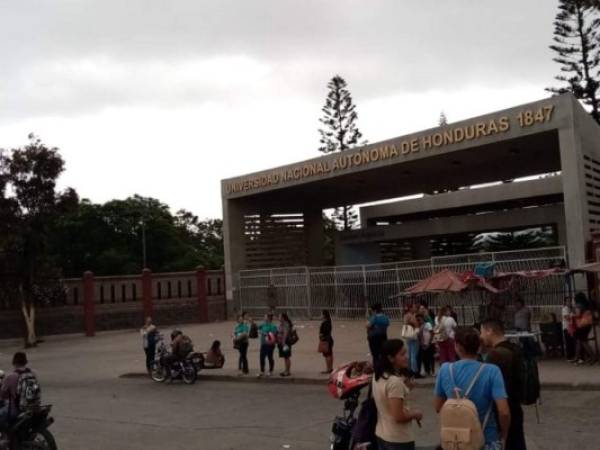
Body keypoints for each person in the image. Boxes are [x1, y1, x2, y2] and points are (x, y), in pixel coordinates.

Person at [434, 328, 511, 450]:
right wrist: (504, 433)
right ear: (479, 347)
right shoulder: (492, 371)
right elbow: (504, 411)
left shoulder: (445, 369)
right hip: (486, 438)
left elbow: (438, 406)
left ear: (457, 346)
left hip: (456, 441)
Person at [480, 318, 527, 450]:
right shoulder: (514, 349)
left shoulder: (496, 355)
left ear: (489, 331)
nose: (481, 336)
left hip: (503, 410)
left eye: (482, 332)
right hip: (516, 407)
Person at [372, 339, 422, 450]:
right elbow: (398, 416)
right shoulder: (394, 382)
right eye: (402, 354)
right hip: (398, 439)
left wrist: (406, 388)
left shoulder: (378, 375)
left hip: (382, 434)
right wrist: (415, 414)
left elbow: (386, 398)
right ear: (391, 358)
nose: (407, 357)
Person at [0, 352, 39, 430]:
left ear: (14, 362)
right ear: (25, 361)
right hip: (33, 406)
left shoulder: (11, 377)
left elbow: (2, 394)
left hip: (16, 410)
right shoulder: (33, 373)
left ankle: (6, 438)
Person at [258, 312, 278, 377]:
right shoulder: (263, 324)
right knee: (261, 357)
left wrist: (263, 333)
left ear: (269, 318)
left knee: (270, 357)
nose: (264, 318)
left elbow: (272, 334)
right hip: (263, 343)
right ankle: (262, 371)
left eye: (265, 317)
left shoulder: (273, 326)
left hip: (270, 344)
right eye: (264, 317)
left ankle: (271, 371)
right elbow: (257, 327)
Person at [402, 304, 420, 376]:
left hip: (408, 336)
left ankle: (409, 370)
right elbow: (416, 324)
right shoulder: (411, 316)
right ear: (410, 308)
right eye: (414, 307)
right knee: (413, 355)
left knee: (410, 354)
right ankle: (414, 371)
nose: (415, 309)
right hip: (413, 335)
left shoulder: (405, 315)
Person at [319, 309, 334, 374]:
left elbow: (324, 332)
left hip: (325, 340)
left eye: (321, 314)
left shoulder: (325, 323)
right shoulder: (328, 321)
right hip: (329, 339)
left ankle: (328, 369)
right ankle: (330, 368)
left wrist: (321, 336)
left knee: (327, 355)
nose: (321, 315)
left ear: (324, 315)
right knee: (330, 354)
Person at [278, 313, 293, 377]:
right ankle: (286, 370)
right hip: (282, 342)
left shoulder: (286, 324)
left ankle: (288, 371)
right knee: (285, 356)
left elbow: (285, 333)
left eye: (279, 316)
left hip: (285, 342)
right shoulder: (282, 324)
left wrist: (283, 342)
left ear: (283, 318)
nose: (278, 318)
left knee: (287, 356)